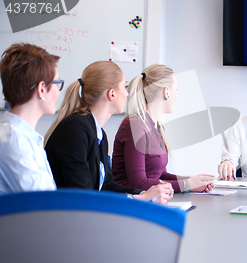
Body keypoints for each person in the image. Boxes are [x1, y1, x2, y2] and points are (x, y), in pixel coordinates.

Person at [44, 61, 172, 204]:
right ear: (111, 94)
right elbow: (81, 195)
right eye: (124, 87)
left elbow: (107, 186)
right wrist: (138, 198)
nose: (127, 93)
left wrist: (146, 194)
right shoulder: (74, 130)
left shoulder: (99, 134)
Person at [112, 64, 214, 193]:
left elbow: (159, 175)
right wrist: (187, 184)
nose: (177, 95)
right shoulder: (135, 126)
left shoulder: (157, 127)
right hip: (129, 202)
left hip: (149, 199)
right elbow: (139, 183)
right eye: (176, 89)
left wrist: (194, 181)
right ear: (166, 92)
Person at [0, 43, 61, 194]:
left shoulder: (20, 136)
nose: (59, 93)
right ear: (41, 89)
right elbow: (43, 207)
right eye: (57, 83)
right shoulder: (16, 142)